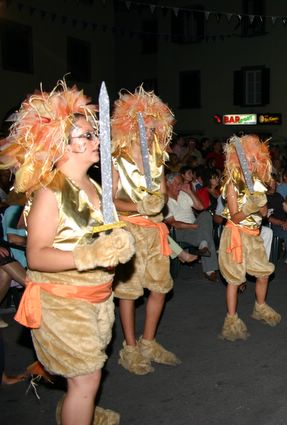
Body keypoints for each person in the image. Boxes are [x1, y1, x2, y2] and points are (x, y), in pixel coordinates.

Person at [1, 81, 134, 424]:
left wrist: (117, 240)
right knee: (86, 380)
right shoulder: (51, 192)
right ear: (62, 143)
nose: (97, 140)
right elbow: (37, 256)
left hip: (96, 298)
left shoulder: (94, 185)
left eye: (95, 134)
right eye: (87, 136)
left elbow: (97, 234)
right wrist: (92, 256)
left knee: (87, 379)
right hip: (62, 304)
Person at [111, 86, 181, 375]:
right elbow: (109, 201)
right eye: (146, 128)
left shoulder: (157, 158)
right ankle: (130, 348)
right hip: (129, 230)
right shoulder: (118, 158)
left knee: (160, 287)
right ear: (131, 126)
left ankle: (149, 342)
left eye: (154, 129)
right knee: (128, 292)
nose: (151, 134)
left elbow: (162, 196)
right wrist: (138, 206)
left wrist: (157, 202)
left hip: (155, 231)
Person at [218, 135, 281, 341]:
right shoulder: (231, 185)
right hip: (236, 234)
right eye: (247, 160)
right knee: (234, 280)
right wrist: (249, 207)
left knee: (263, 274)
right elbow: (235, 217)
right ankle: (231, 318)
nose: (251, 164)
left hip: (254, 236)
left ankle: (260, 307)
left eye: (254, 160)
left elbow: (264, 214)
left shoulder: (258, 184)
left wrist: (260, 204)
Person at [165, 172, 218, 281]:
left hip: (195, 226)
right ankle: (209, 269)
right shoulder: (164, 201)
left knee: (206, 214)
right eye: (177, 184)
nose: (180, 186)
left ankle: (203, 244)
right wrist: (193, 226)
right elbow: (173, 223)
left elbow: (200, 207)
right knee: (206, 234)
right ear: (168, 184)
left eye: (181, 184)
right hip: (180, 231)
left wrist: (189, 191)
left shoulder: (183, 194)